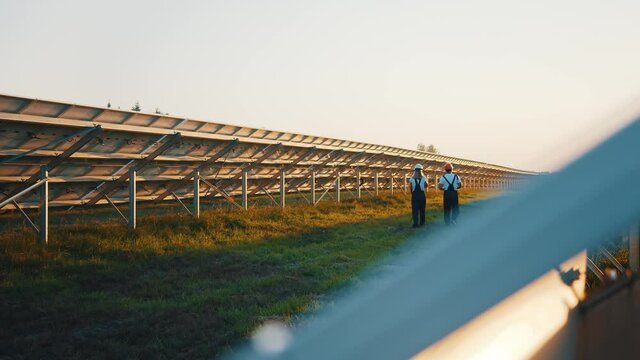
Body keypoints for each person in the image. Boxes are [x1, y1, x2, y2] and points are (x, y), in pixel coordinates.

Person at [410, 164, 428, 228]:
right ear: (421, 170)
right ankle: (422, 223)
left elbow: (411, 188)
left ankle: (415, 224)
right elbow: (426, 185)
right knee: (422, 210)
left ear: (415, 170)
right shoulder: (424, 178)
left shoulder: (411, 178)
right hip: (422, 195)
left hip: (414, 196)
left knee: (415, 210)